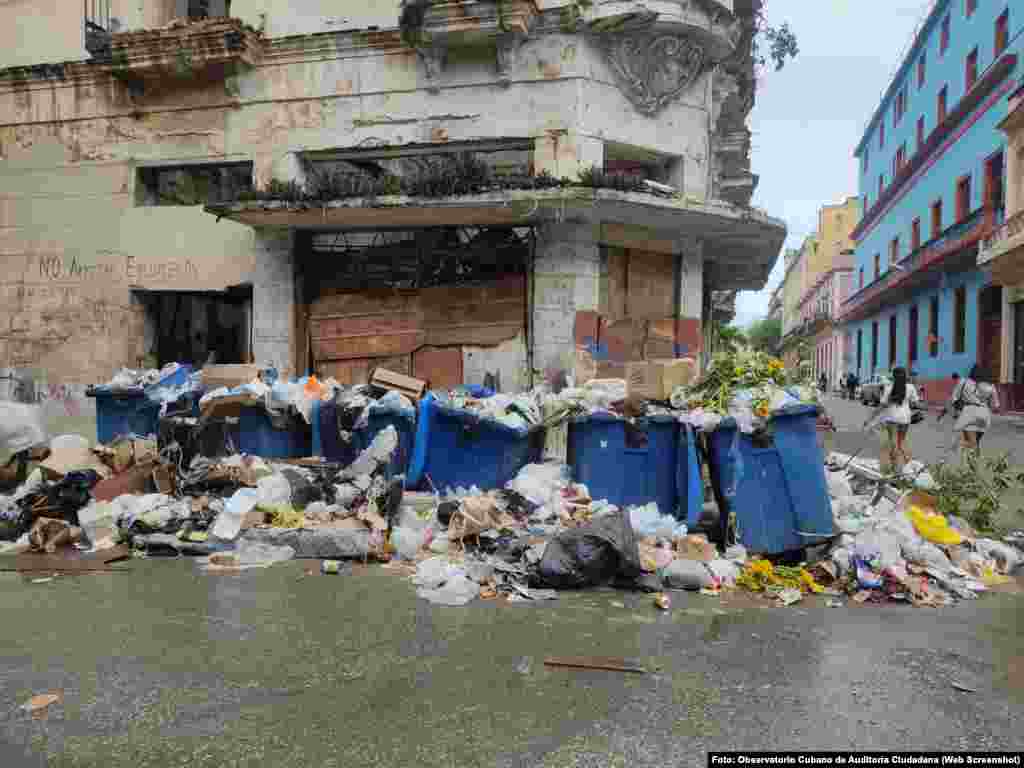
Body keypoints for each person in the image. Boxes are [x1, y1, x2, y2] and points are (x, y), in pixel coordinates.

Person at [863, 366, 919, 477]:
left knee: (892, 443)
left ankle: (895, 470)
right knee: (901, 442)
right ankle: (911, 468)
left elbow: (881, 406)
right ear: (905, 376)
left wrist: (869, 419)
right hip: (905, 418)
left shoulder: (889, 388)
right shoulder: (911, 387)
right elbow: (915, 403)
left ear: (893, 376)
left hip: (892, 418)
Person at [940, 366, 999, 456]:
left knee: (971, 443)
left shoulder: (964, 382)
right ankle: (973, 465)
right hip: (984, 414)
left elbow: (953, 399)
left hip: (970, 413)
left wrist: (946, 411)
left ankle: (958, 446)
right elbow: (995, 406)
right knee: (975, 443)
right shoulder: (990, 385)